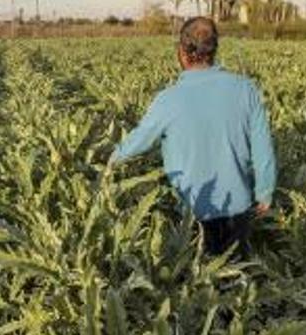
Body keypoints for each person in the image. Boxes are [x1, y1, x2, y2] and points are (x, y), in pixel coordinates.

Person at [108, 17, 277, 257]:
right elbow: (263, 149)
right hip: (238, 207)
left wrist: (110, 161)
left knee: (197, 284)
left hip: (191, 214)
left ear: (182, 52)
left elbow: (138, 142)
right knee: (236, 276)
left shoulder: (168, 99)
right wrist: (265, 192)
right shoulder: (246, 89)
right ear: (214, 50)